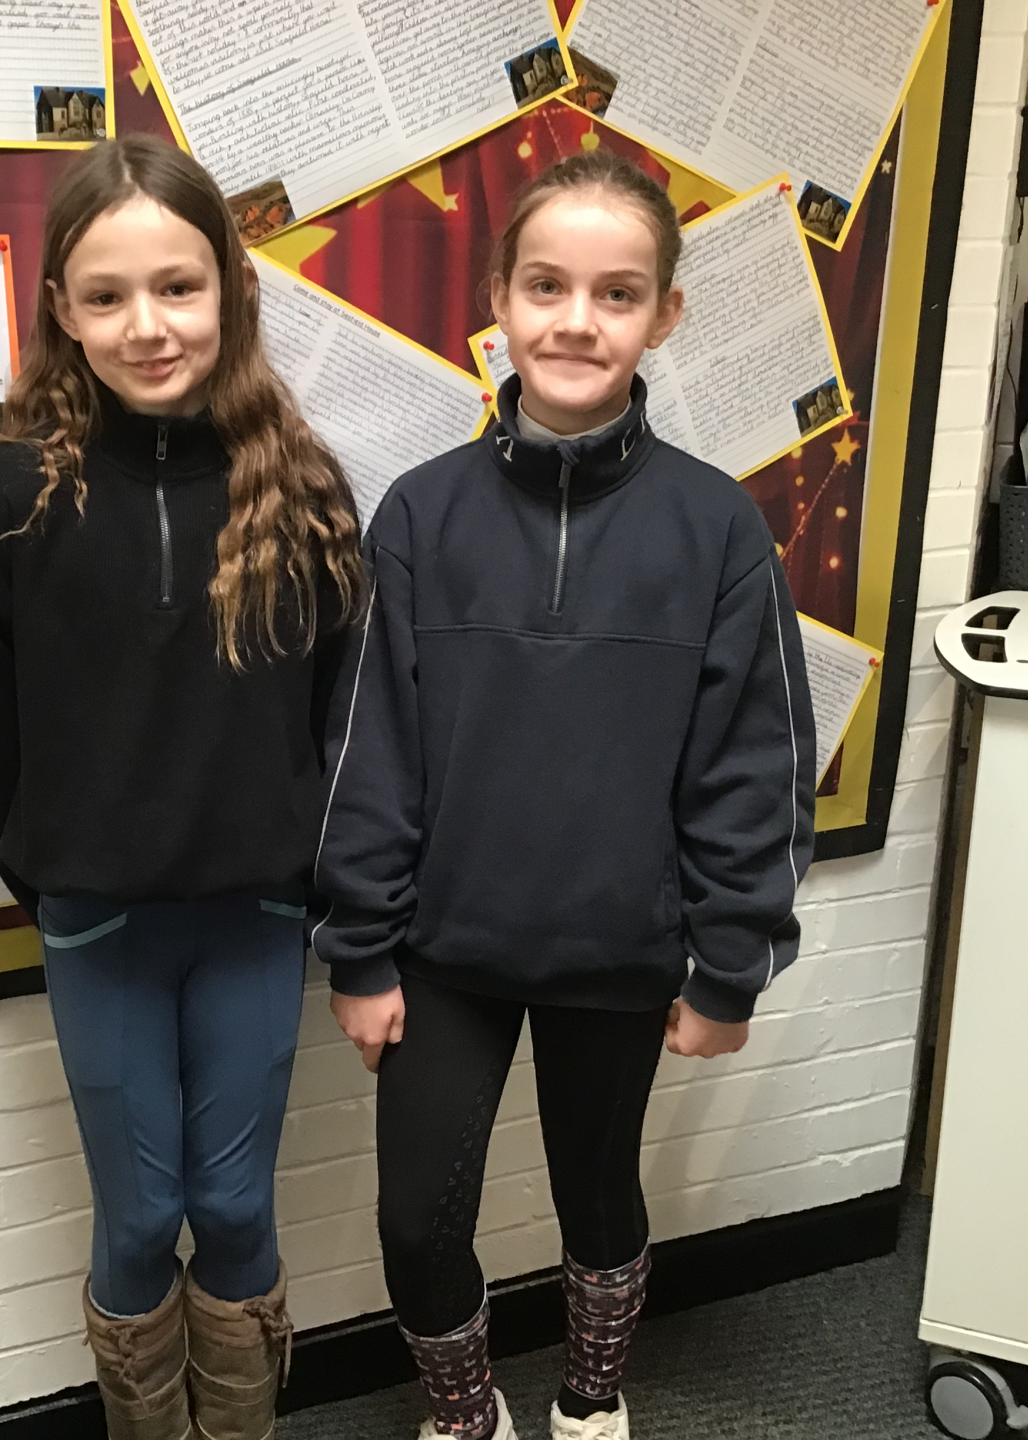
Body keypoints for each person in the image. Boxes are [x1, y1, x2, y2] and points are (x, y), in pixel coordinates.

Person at [314, 152, 817, 1440]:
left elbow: (754, 769)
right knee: (416, 1222)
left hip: (621, 951)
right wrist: (360, 950)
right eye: (547, 286)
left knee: (598, 1198)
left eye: (616, 293)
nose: (577, 321)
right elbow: (370, 750)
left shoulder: (718, 529)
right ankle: (464, 1415)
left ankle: (591, 1402)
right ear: (500, 298)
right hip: (443, 957)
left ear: (664, 315)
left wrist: (730, 971)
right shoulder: (421, 516)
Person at [0, 134, 365, 1440]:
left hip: (256, 918)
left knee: (231, 1208)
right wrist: (54, 877)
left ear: (229, 287)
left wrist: (315, 872)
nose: (148, 324)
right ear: (61, 310)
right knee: (138, 1216)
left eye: (178, 286)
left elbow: (346, 716)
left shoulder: (301, 486)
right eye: (108, 295)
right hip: (102, 926)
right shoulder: (15, 496)